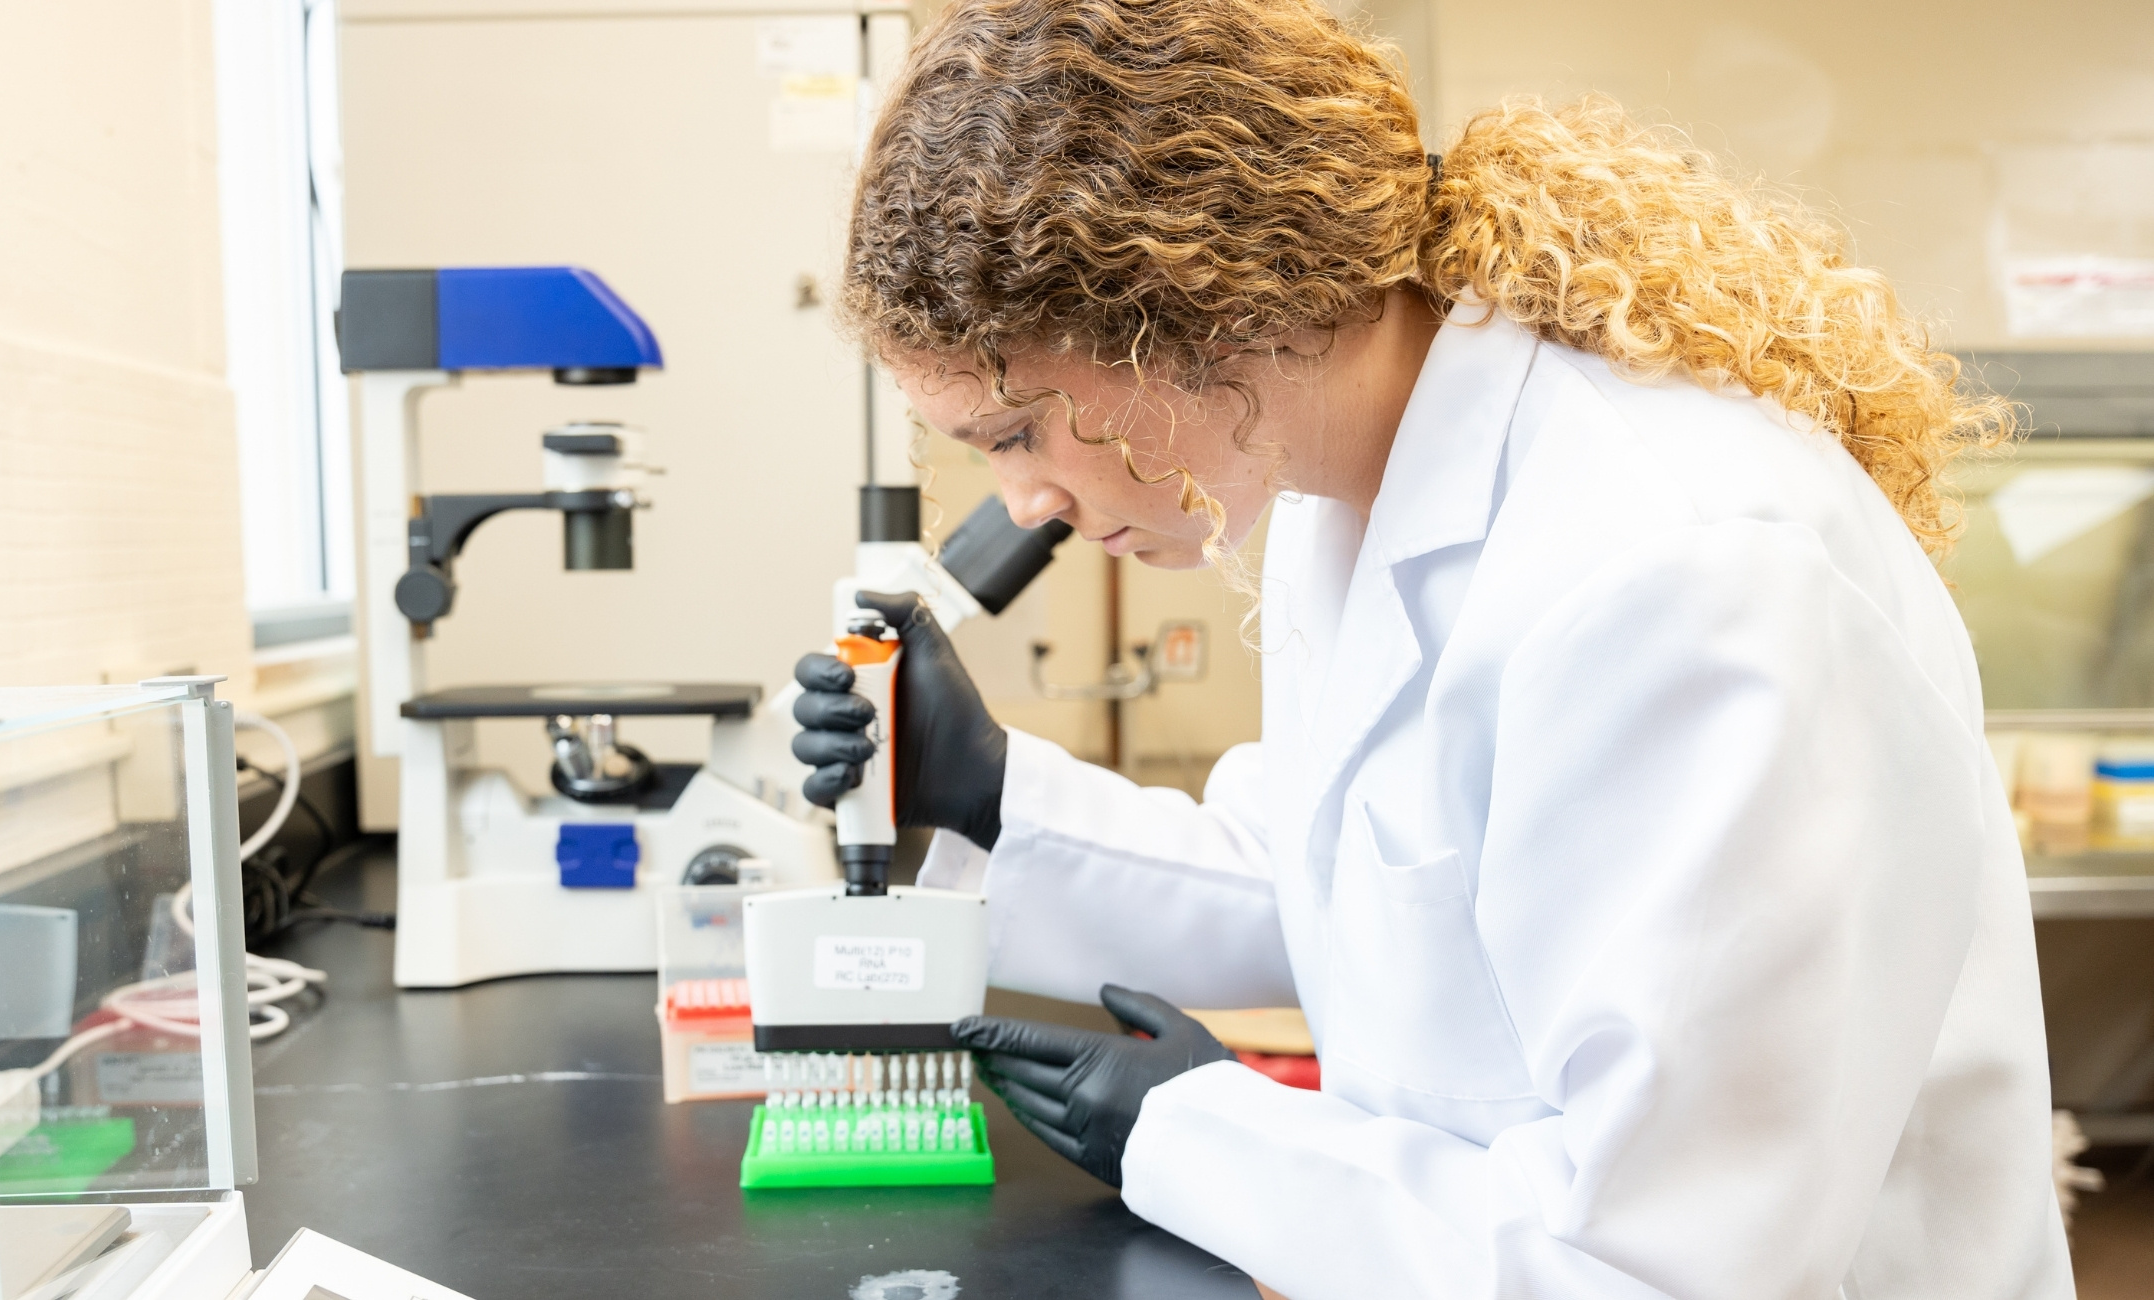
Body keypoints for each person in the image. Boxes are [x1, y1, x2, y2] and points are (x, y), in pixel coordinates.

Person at [788, 0, 2070, 1295]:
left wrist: (1207, 1139)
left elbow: (1660, 1264)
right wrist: (993, 793)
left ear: (1185, 311)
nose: (1022, 505)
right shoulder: (1337, 491)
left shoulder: (1684, 570)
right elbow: (1342, 888)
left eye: (1016, 433)